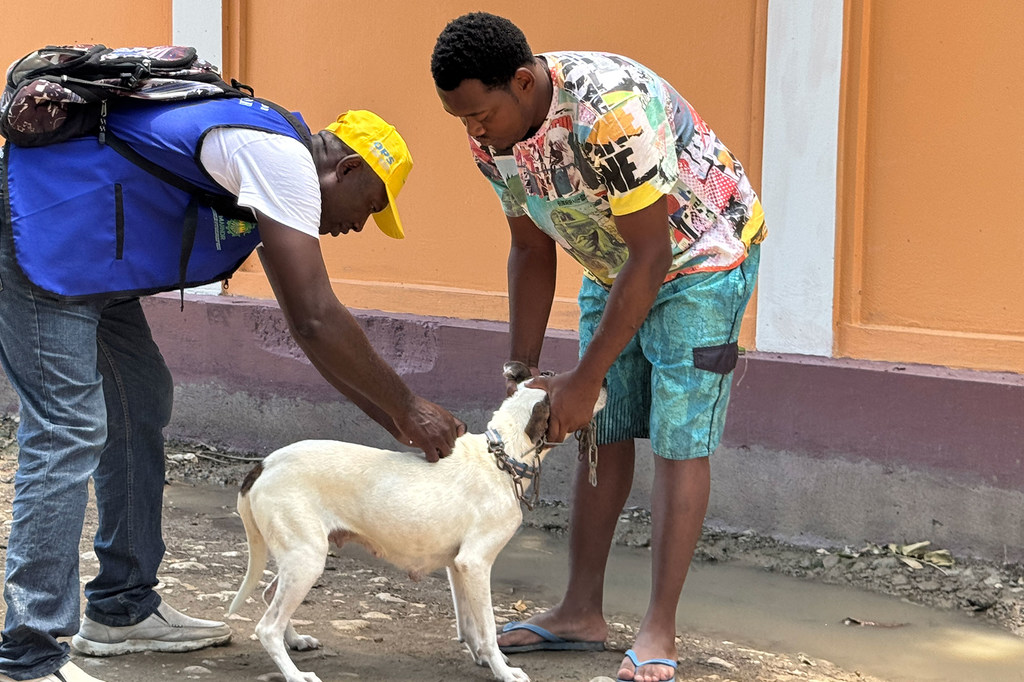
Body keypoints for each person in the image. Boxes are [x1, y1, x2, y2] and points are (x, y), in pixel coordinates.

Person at [0, 93, 465, 682]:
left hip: (87, 253)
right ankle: (30, 652)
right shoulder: (279, 159)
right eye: (369, 204)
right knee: (67, 427)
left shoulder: (273, 165)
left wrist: (398, 419)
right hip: (41, 227)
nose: (357, 225)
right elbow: (317, 317)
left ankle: (123, 607)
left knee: (139, 397)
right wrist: (409, 408)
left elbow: (308, 328)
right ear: (344, 168)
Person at [431, 13, 765, 682]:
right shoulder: (492, 138)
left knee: (678, 435)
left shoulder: (608, 114)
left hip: (701, 258)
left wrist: (584, 377)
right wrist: (522, 370)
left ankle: (659, 627)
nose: (472, 128)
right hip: (615, 262)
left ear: (522, 82)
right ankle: (580, 610)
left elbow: (655, 253)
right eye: (460, 117)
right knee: (600, 431)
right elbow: (529, 248)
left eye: (479, 112)